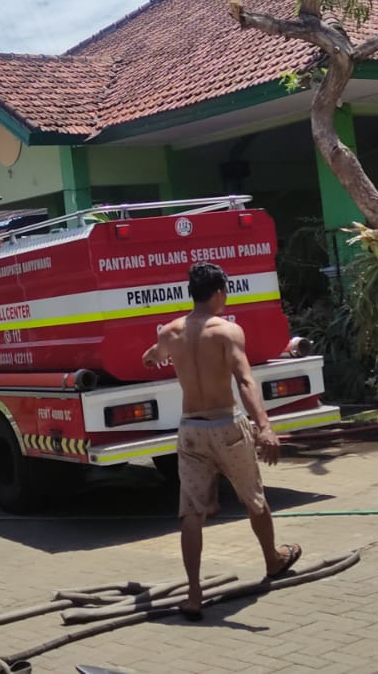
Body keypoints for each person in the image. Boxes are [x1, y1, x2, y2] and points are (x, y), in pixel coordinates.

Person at [141, 262, 301, 622]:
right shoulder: (227, 331)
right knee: (254, 499)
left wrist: (152, 357)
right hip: (227, 426)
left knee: (191, 512)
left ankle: (194, 595)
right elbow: (244, 381)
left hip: (191, 429)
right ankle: (273, 560)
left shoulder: (171, 332)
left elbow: (152, 355)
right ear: (217, 293)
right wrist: (265, 427)